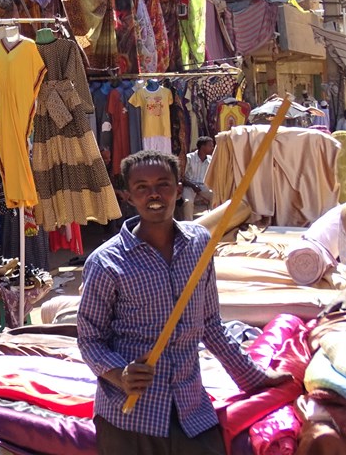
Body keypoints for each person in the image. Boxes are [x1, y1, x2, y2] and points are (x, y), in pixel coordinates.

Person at [77, 150, 292, 455]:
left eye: (163, 184)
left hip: (192, 411)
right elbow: (90, 340)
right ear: (128, 197)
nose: (154, 194)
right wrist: (118, 374)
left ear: (178, 190)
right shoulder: (106, 262)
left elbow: (210, 326)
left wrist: (255, 379)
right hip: (130, 416)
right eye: (142, 187)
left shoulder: (199, 244)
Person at [180, 136, 215, 220]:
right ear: (203, 147)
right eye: (210, 145)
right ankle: (189, 224)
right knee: (188, 202)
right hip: (189, 186)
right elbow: (181, 177)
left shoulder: (210, 160)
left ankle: (213, 221)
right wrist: (192, 186)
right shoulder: (189, 158)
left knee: (216, 197)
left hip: (203, 186)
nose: (212, 148)